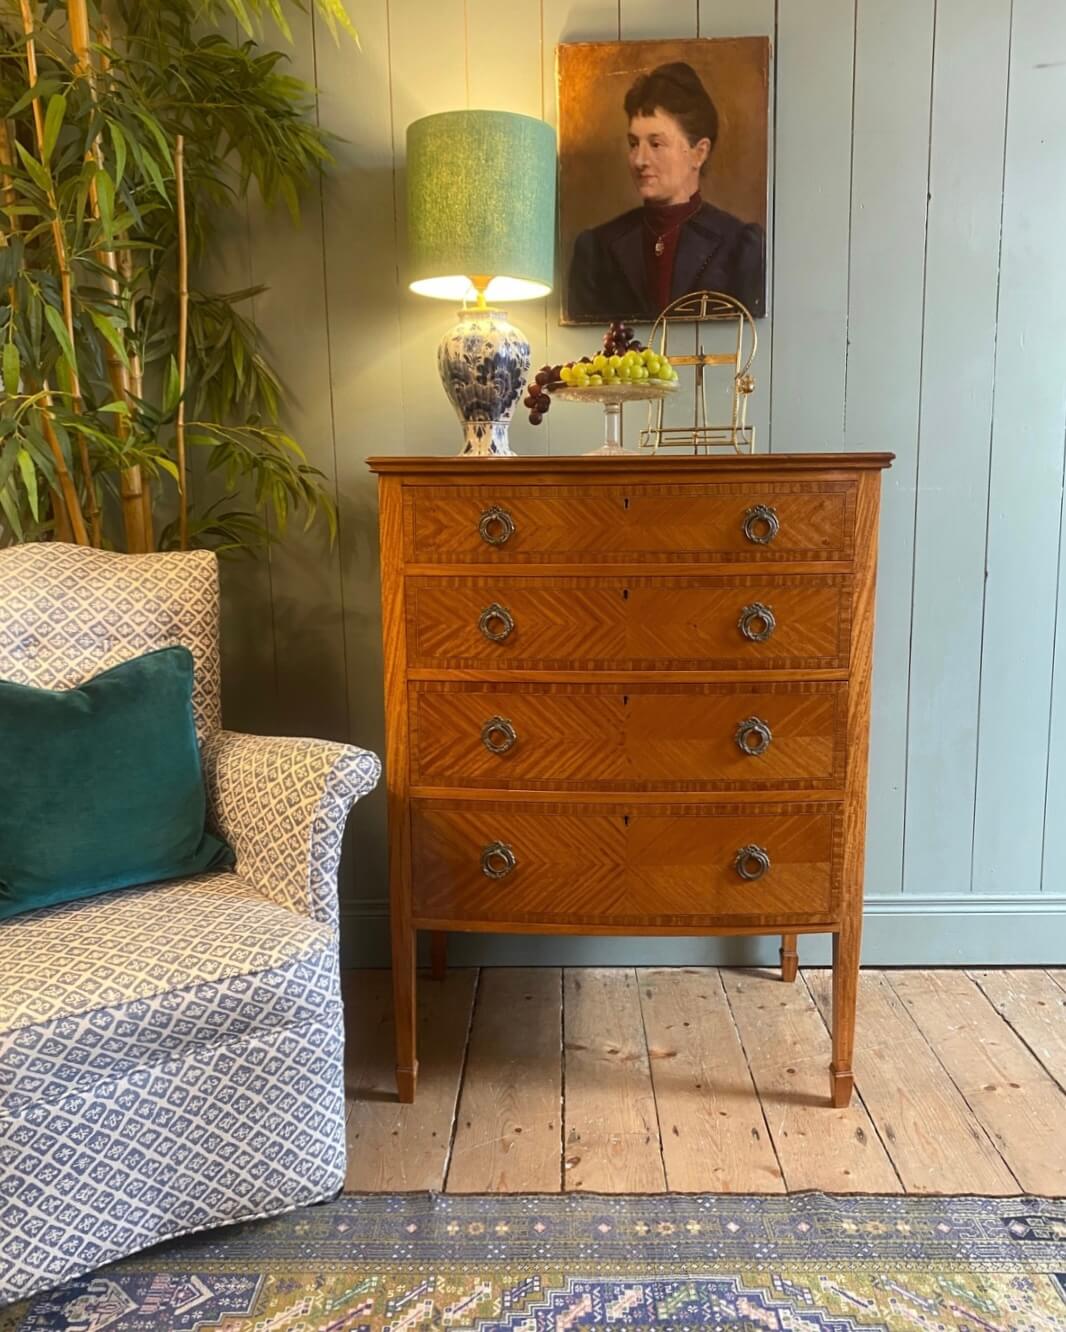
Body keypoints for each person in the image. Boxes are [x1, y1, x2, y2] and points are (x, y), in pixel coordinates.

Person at [567, 60, 765, 322]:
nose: (640, 160)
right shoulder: (596, 250)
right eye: (633, 143)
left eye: (656, 144)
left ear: (698, 152)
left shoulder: (740, 247)